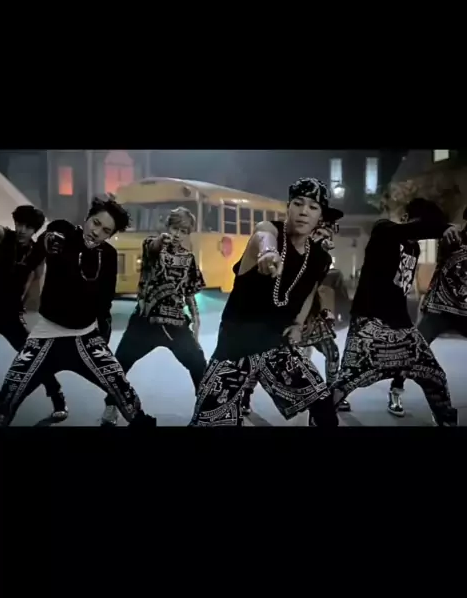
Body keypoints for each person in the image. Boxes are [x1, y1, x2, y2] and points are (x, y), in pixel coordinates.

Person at [0, 196, 156, 430]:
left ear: (110, 235)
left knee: (125, 394)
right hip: (46, 334)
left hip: (86, 337)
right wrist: (30, 242)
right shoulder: (62, 235)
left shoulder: (108, 255)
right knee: (7, 397)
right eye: (96, 223)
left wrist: (103, 340)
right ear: (87, 218)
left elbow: (104, 303)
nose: (97, 232)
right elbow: (29, 260)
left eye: (106, 231)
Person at [189, 178, 343, 427]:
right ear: (288, 207)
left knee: (323, 406)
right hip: (235, 348)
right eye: (298, 204)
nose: (304, 211)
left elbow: (309, 292)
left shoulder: (319, 258)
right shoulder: (270, 232)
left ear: (320, 216)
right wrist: (268, 252)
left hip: (277, 347)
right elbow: (263, 234)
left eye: (313, 207)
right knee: (208, 422)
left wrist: (298, 324)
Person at [331, 198, 460, 427]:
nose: (423, 232)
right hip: (369, 321)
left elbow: (402, 286)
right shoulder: (384, 230)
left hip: (401, 325)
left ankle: (447, 422)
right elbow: (416, 229)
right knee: (348, 380)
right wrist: (444, 228)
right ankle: (319, 417)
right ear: (406, 219)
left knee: (434, 376)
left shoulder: (414, 247)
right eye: (423, 225)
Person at [100, 206, 207, 427]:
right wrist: (161, 240)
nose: (178, 234)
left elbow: (189, 293)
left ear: (189, 234)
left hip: (176, 324)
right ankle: (112, 405)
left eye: (183, 231)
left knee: (199, 365)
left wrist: (196, 321)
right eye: (175, 228)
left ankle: (206, 410)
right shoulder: (152, 245)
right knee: (120, 364)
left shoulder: (189, 258)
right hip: (145, 321)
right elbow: (153, 246)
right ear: (167, 227)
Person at [0, 205, 67, 422]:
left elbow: (34, 278)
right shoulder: (4, 237)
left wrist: (25, 302)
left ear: (35, 229)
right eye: (19, 224)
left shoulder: (36, 251)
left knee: (33, 356)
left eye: (28, 227)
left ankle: (57, 397)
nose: (22, 230)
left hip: (9, 314)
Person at [387, 205, 467, 417]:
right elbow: (431, 228)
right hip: (440, 307)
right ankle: (395, 390)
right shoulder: (454, 236)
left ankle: (440, 409)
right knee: (413, 348)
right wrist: (446, 227)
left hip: (465, 310)